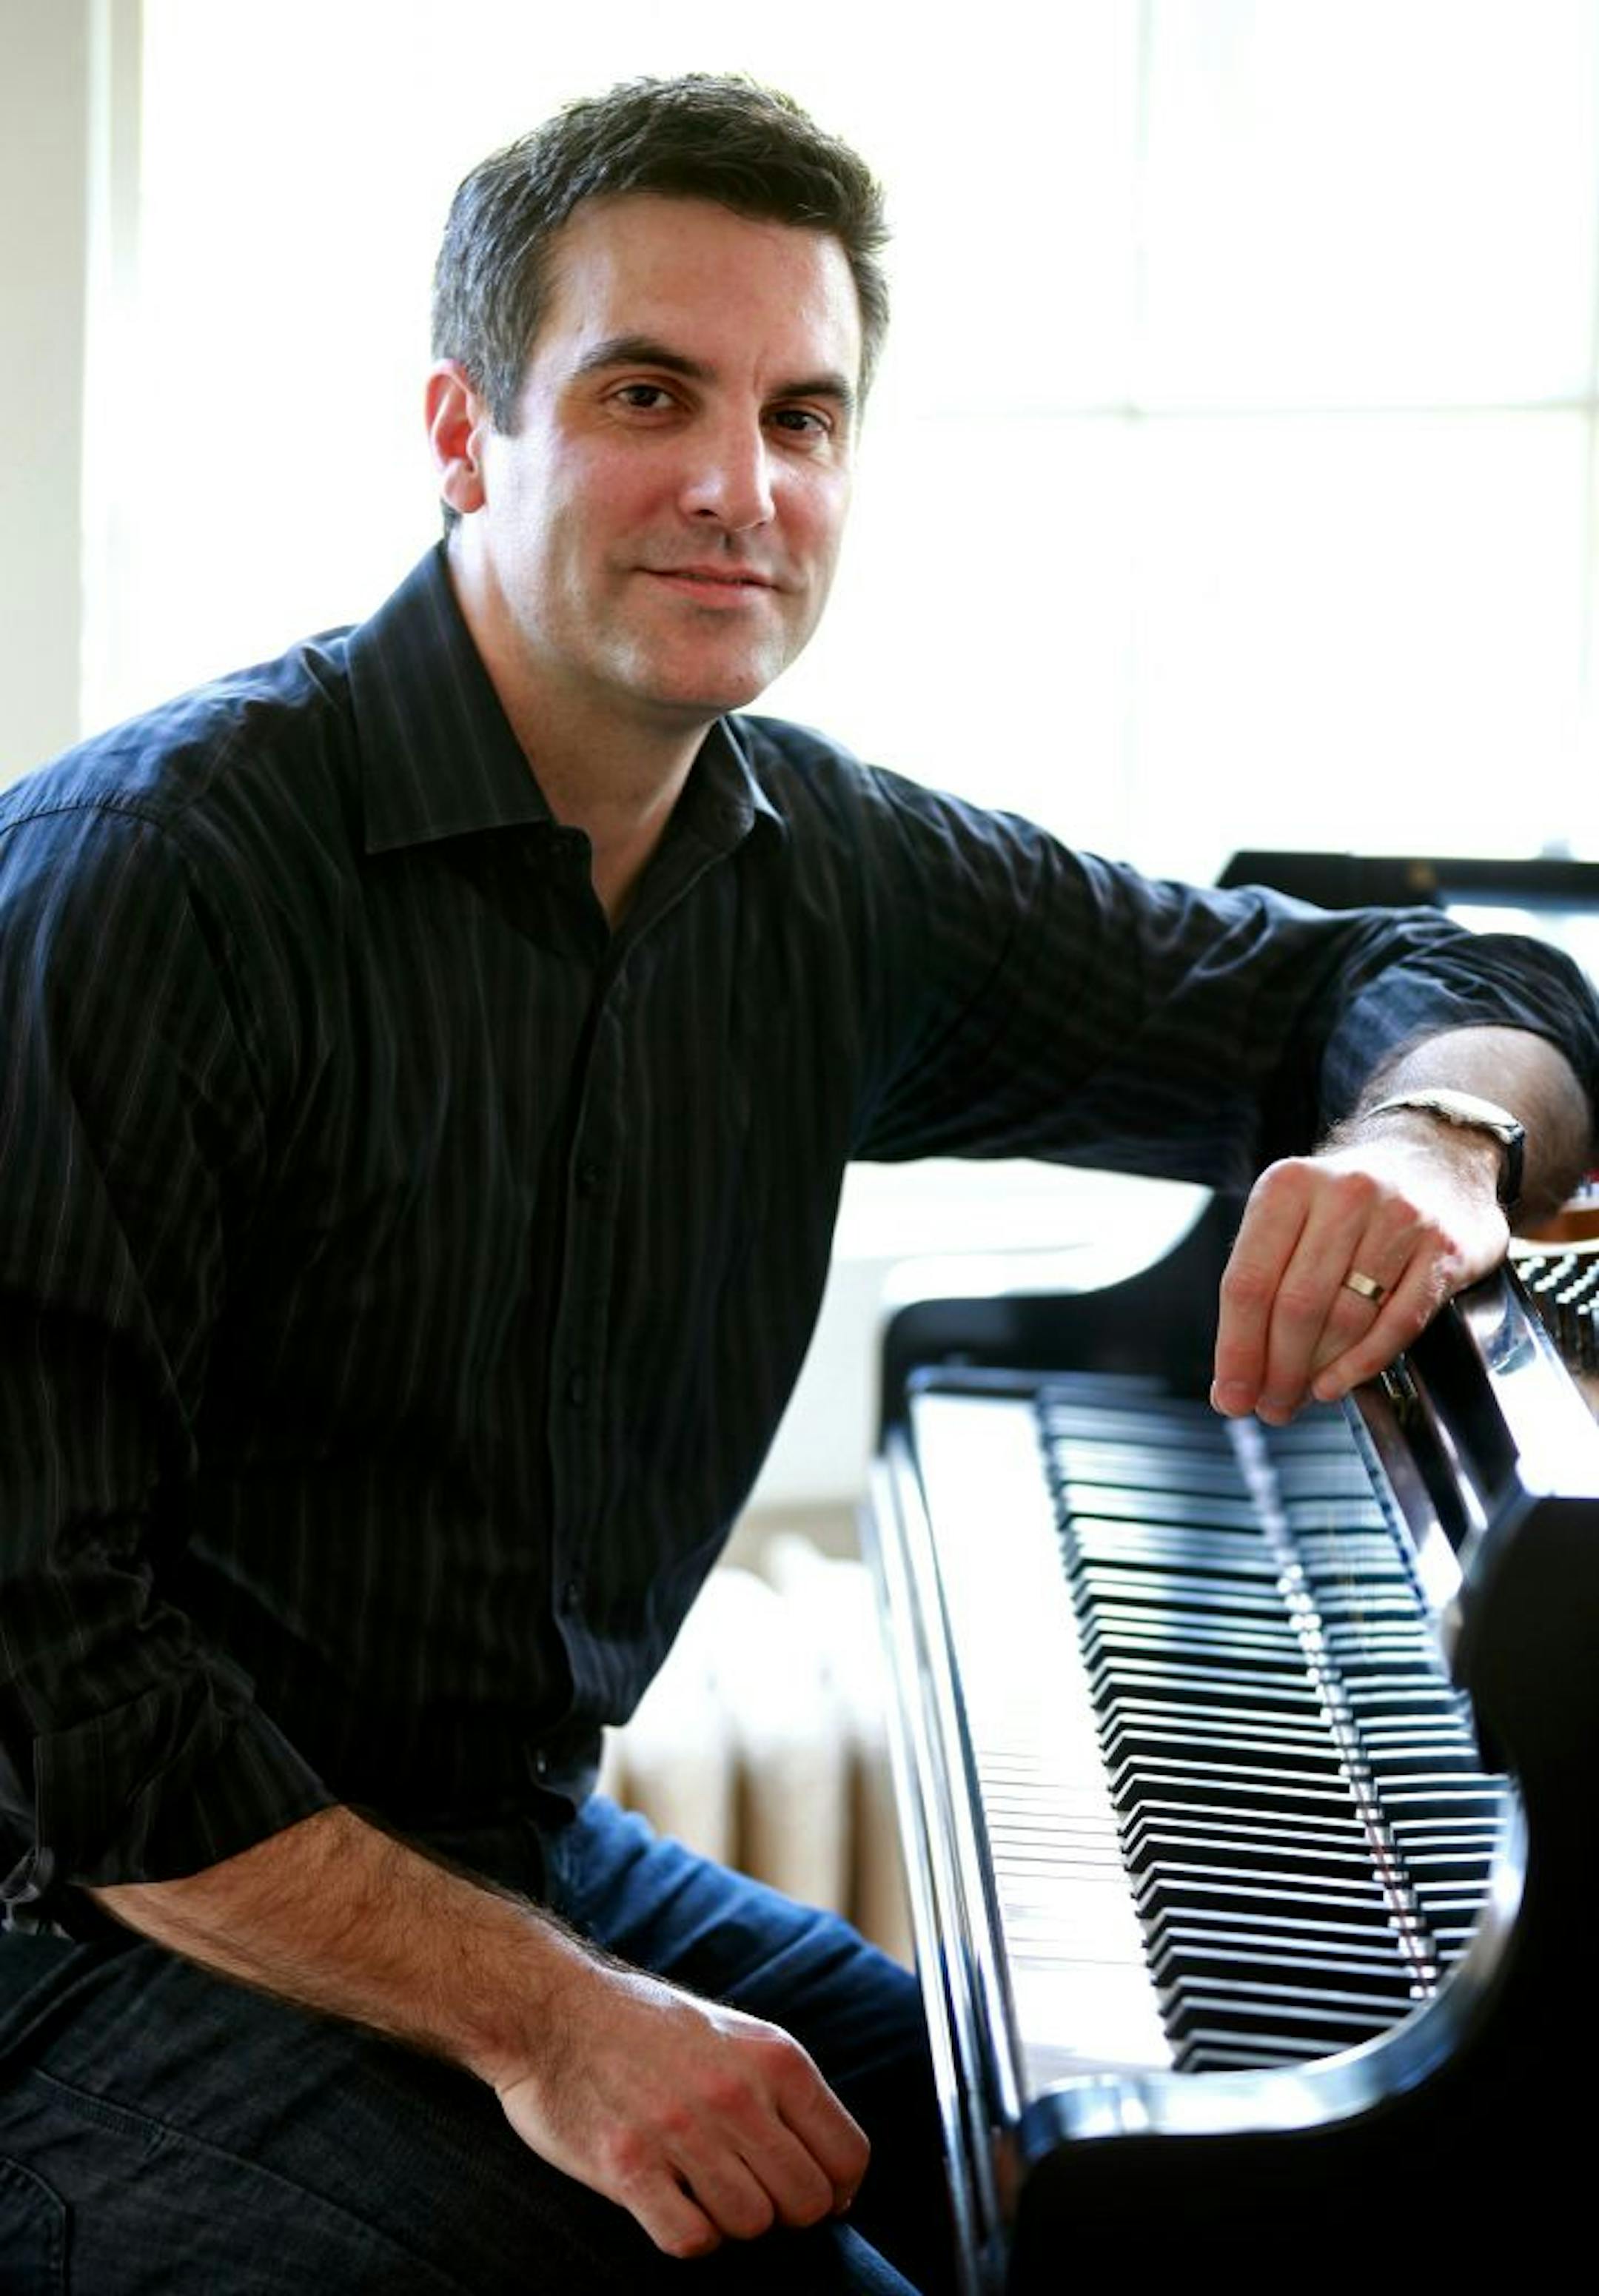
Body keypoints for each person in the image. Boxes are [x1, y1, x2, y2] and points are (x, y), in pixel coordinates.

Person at [0, 71, 1594, 2296]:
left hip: (494, 1843)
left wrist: (1435, 1132)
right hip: (84, 1927)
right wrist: (561, 2028)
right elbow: (62, 1691)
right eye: (652, 393)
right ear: (465, 433)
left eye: (806, 417)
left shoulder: (822, 871)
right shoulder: (149, 880)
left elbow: (1427, 979)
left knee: (1116, 2217)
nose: (739, 488)